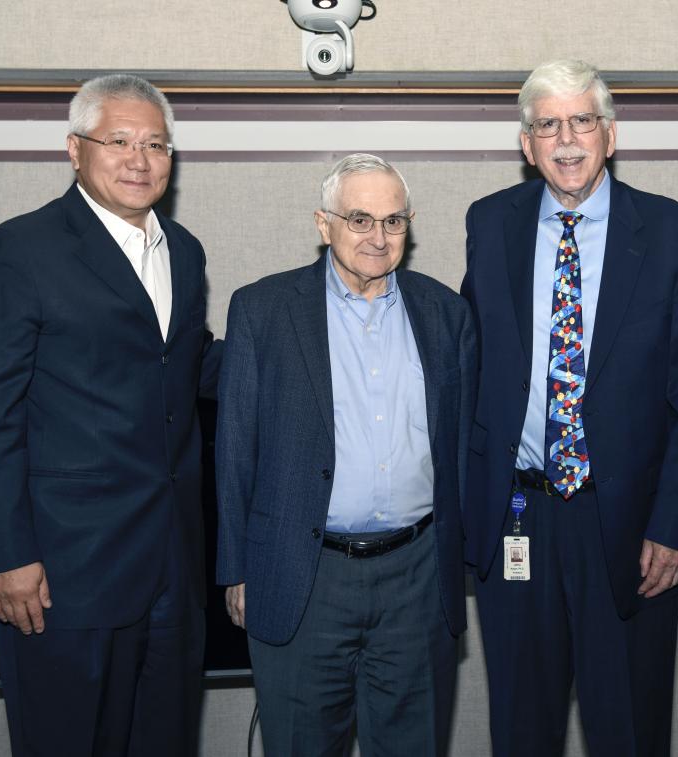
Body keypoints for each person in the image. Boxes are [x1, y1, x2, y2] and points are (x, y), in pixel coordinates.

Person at [0, 74, 220, 756]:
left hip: (170, 564)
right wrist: (6, 555)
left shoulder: (182, 251)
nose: (140, 159)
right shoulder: (18, 252)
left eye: (156, 144)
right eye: (119, 140)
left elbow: (183, 366)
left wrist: (304, 336)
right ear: (74, 149)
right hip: (62, 575)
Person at [461, 59, 678, 757]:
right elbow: (469, 368)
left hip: (631, 530)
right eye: (549, 124)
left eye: (582, 121)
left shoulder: (673, 235)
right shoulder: (490, 225)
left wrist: (673, 526)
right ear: (527, 144)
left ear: (610, 134)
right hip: (516, 521)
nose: (567, 139)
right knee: (521, 731)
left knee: (628, 733)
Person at [215, 153, 476, 756]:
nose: (377, 238)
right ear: (323, 223)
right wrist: (236, 567)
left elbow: (460, 447)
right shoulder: (263, 311)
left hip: (416, 576)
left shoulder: (446, 315)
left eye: (393, 221)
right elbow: (234, 453)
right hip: (304, 574)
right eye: (359, 219)